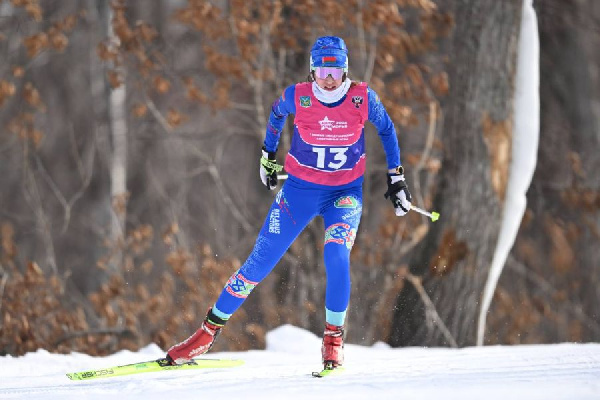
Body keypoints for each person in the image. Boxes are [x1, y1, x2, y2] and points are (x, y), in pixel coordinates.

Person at [165, 36, 412, 369]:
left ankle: (333, 339)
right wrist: (267, 156)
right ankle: (205, 334)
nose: (329, 78)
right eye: (323, 70)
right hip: (299, 192)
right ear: (312, 71)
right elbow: (276, 114)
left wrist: (396, 178)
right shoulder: (298, 96)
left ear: (345, 71)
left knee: (337, 254)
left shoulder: (361, 98)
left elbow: (388, 129)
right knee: (258, 264)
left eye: (336, 71)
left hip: (343, 194)